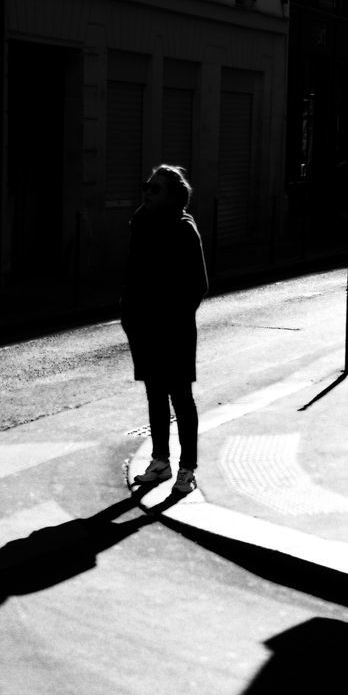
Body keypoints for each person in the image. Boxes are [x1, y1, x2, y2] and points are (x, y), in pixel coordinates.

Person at [121, 164, 208, 494]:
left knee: (181, 398)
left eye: (155, 188)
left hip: (174, 328)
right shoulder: (141, 223)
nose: (147, 191)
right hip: (143, 325)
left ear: (173, 196)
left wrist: (173, 317)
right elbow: (131, 274)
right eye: (147, 185)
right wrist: (128, 312)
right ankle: (160, 461)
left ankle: (187, 468)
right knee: (155, 394)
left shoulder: (184, 229)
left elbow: (198, 285)